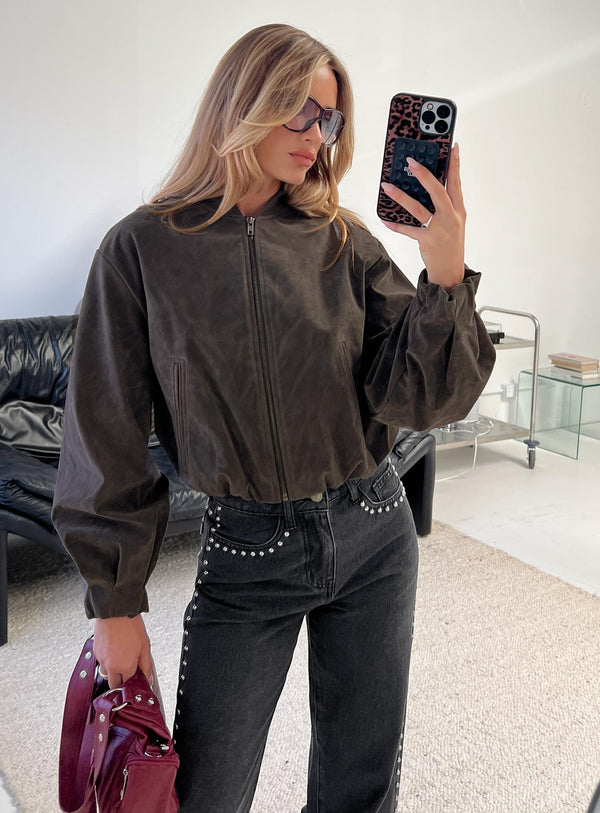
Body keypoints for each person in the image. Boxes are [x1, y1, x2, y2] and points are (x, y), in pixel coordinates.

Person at [53, 23, 495, 813]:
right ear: (243, 101)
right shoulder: (142, 250)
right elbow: (104, 432)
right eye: (302, 111)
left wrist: (446, 271)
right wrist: (114, 605)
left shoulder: (343, 240)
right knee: (207, 791)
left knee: (361, 783)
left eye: (330, 119)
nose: (317, 136)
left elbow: (424, 399)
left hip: (374, 528)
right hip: (247, 551)